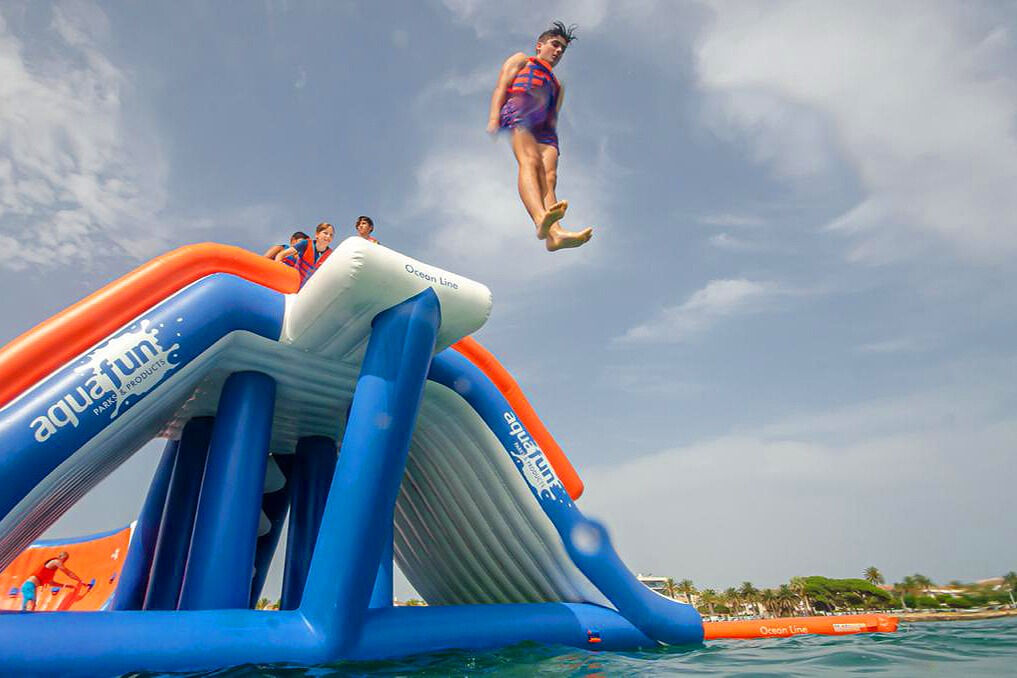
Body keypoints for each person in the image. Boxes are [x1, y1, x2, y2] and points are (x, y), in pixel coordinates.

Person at [487, 21, 593, 252]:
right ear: (539, 45)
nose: (558, 52)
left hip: (544, 127)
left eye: (562, 50)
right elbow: (501, 86)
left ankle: (555, 234)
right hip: (520, 108)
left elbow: (553, 114)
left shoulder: (557, 85)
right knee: (530, 162)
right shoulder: (522, 60)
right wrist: (494, 117)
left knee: (550, 176)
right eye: (555, 45)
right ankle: (539, 220)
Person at [274, 222, 334, 288]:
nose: (328, 236)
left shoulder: (330, 255)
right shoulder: (305, 244)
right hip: (292, 282)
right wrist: (278, 266)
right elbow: (281, 254)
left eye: (331, 235)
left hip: (306, 290)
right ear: (317, 234)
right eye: (325, 233)